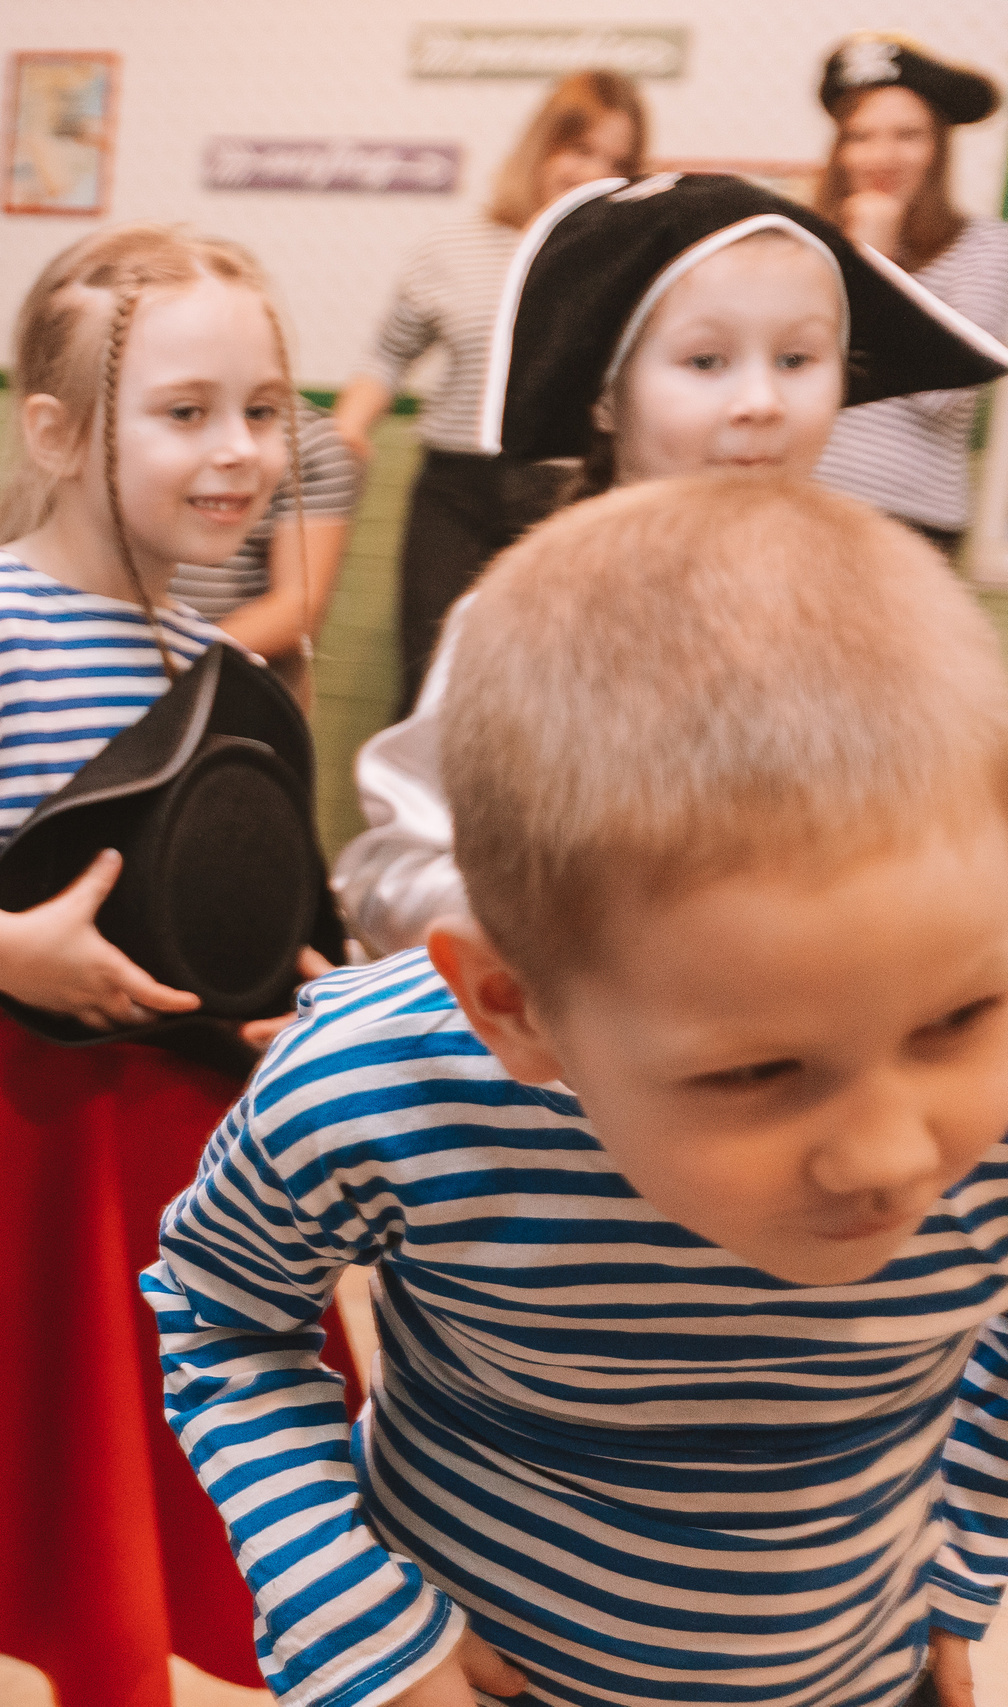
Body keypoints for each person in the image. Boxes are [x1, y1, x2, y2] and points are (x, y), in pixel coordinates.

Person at [148, 472, 1008, 1707]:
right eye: (757, 1071)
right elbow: (218, 1312)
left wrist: (954, 1567)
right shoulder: (375, 1089)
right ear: (514, 1009)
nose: (887, 1158)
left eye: (956, 1020)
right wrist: (358, 1621)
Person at [0, 222, 343, 1706]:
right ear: (54, 431)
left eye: (263, 409)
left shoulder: (203, 649)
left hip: (156, 1149)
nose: (239, 451)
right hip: (2, 1140)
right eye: (185, 411)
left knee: (126, 1491)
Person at [333, 172, 1008, 958]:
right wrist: (604, 935)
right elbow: (394, 874)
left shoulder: (887, 612)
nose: (761, 401)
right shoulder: (526, 618)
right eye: (706, 360)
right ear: (605, 397)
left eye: (797, 358)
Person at [330, 70, 648, 715]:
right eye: (580, 150)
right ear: (542, 147)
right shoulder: (452, 250)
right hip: (453, 491)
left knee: (544, 694)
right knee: (430, 684)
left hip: (566, 495)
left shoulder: (629, 261)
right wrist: (347, 429)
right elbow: (387, 356)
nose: (594, 173)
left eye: (617, 162)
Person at [810, 34, 1008, 557]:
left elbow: (945, 392)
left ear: (938, 148)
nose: (883, 156)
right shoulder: (805, 245)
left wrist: (877, 265)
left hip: (911, 523)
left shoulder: (988, 248)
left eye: (908, 135)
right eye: (861, 136)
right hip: (799, 504)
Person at [169, 399, 358, 705]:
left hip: (233, 682)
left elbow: (296, 610)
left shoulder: (311, 441)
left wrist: (171, 667)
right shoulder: (138, 426)